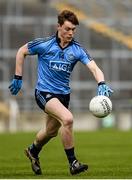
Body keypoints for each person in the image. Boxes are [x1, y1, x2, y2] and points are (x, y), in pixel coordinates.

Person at [9, 10, 113, 175]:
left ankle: (33, 151)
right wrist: (17, 77)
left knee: (51, 132)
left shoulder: (77, 49)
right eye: (67, 29)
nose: (70, 32)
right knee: (68, 119)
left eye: (73, 29)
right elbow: (21, 51)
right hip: (44, 93)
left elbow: (94, 67)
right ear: (58, 27)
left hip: (63, 95)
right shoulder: (45, 44)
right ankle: (73, 163)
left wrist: (101, 82)